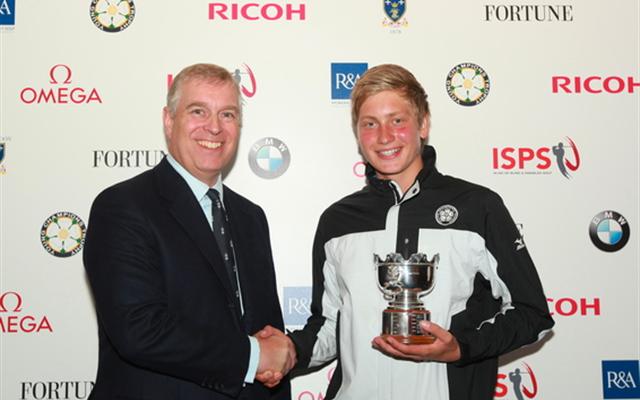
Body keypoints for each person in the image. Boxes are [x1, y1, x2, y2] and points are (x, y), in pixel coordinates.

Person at [286, 64, 555, 399]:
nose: (384, 136)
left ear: (423, 124)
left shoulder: (477, 206)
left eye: (397, 120)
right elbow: (329, 328)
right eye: (370, 124)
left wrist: (460, 347)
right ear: (357, 134)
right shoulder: (337, 221)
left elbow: (533, 315)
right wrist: (283, 352)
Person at [83, 63, 295, 400]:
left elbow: (267, 335)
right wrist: (253, 357)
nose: (214, 128)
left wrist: (275, 359)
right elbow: (139, 330)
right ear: (169, 121)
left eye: (227, 115)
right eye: (199, 111)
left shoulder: (251, 217)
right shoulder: (122, 206)